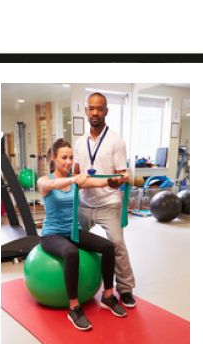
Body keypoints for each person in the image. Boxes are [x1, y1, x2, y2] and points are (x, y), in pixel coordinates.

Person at [37, 138, 128, 332]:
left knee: (108, 246)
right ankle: (74, 308)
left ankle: (108, 295)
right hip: (52, 235)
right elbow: (53, 185)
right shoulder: (44, 181)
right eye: (63, 158)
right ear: (53, 158)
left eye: (71, 157)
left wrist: (114, 180)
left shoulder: (75, 181)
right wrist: (74, 178)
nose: (68, 162)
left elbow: (97, 181)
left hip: (73, 231)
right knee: (71, 253)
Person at [73, 92, 136, 308]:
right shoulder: (80, 142)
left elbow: (121, 174)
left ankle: (125, 288)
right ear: (86, 111)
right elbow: (75, 172)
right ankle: (78, 282)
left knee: (117, 243)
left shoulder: (116, 141)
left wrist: (117, 181)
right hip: (83, 203)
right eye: (92, 108)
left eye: (100, 108)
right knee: (73, 241)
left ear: (106, 111)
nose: (95, 112)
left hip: (109, 203)